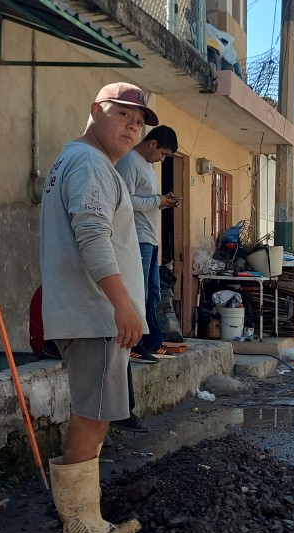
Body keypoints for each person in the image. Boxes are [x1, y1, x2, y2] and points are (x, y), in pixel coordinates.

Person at [39, 81, 158, 533]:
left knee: (96, 411)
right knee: (93, 414)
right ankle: (82, 525)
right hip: (96, 316)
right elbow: (92, 236)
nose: (132, 125)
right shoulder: (89, 163)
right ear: (95, 110)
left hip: (92, 314)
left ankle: (83, 516)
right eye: (123, 113)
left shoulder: (81, 161)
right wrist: (123, 305)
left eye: (139, 120)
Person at [28, 285, 148, 433]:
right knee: (97, 354)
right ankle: (99, 423)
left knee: (115, 347)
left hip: (67, 335)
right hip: (48, 342)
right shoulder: (58, 287)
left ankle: (121, 412)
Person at [115, 125, 180, 363]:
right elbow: (125, 201)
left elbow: (148, 201)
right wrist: (157, 200)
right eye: (162, 154)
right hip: (136, 238)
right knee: (137, 294)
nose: (162, 159)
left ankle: (152, 341)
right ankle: (135, 344)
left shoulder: (149, 166)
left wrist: (164, 202)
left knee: (152, 293)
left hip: (150, 239)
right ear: (152, 144)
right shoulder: (129, 161)